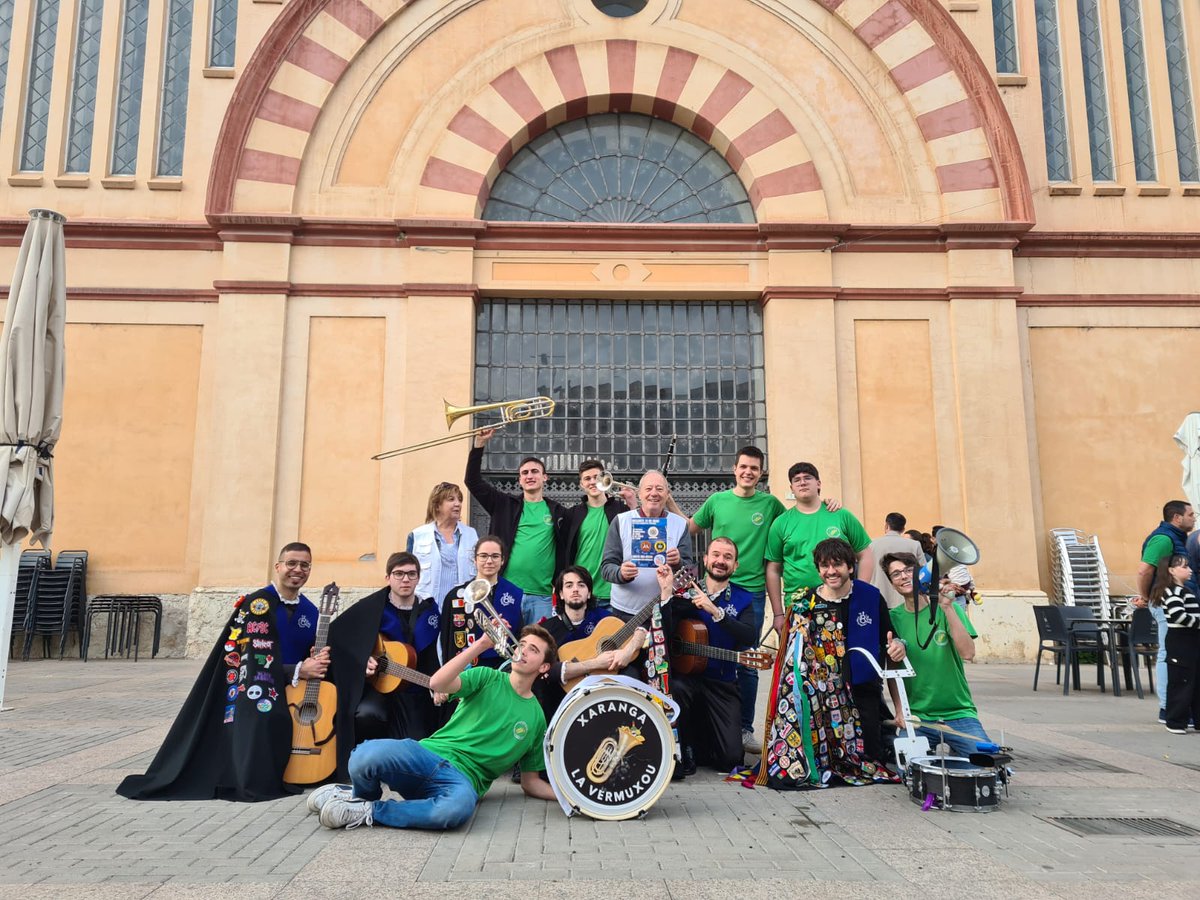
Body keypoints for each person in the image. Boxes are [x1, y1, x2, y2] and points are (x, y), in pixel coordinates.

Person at [117, 543, 325, 801]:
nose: (298, 570)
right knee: (266, 715)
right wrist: (297, 670)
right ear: (278, 566)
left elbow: (311, 652)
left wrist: (317, 656)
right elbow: (254, 661)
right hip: (255, 688)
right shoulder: (258, 604)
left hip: (296, 689)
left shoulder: (311, 611)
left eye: (305, 565)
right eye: (292, 563)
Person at [312, 624, 560, 829]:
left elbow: (530, 782)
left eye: (534, 650)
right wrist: (482, 644)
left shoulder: (537, 719)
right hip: (427, 754)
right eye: (522, 644)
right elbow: (438, 683)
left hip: (463, 780)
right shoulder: (487, 676)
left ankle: (368, 810)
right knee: (362, 757)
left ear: (544, 667)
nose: (523, 651)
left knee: (454, 812)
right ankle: (356, 795)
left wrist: (570, 798)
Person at [665, 445, 785, 753]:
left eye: (754, 468)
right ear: (735, 469)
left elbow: (791, 527)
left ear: (761, 473)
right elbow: (689, 527)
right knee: (701, 647)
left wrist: (827, 507)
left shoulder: (770, 504)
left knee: (746, 661)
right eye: (743, 466)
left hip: (752, 591)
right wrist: (668, 500)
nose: (748, 472)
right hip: (711, 587)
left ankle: (745, 728)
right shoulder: (717, 500)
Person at [758, 539, 896, 789]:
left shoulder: (870, 597)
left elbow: (890, 638)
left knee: (870, 758)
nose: (831, 571)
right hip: (821, 691)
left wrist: (899, 646)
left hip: (862, 687)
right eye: (824, 566)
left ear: (851, 567)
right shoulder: (806, 602)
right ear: (818, 569)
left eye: (837, 565)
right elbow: (793, 654)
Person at [326, 552, 442, 780]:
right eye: (399, 574)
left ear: (419, 578)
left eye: (411, 574)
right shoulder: (372, 608)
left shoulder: (429, 612)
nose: (405, 579)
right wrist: (362, 660)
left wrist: (438, 683)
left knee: (417, 747)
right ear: (388, 577)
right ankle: (367, 763)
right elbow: (338, 638)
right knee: (366, 715)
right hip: (377, 688)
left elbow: (433, 657)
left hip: (415, 689)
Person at [882, 551, 992, 758]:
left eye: (908, 571)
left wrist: (947, 608)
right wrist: (900, 710)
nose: (904, 577)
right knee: (909, 768)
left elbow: (968, 653)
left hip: (959, 712)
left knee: (984, 765)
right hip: (917, 716)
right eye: (896, 574)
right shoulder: (892, 618)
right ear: (892, 583)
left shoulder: (947, 609)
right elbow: (894, 672)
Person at [667, 537, 757, 776]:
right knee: (675, 689)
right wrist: (669, 598)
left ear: (735, 566)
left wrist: (716, 612)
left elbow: (749, 636)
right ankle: (681, 747)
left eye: (728, 557)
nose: (720, 561)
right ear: (705, 559)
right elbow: (664, 629)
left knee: (731, 759)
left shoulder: (743, 598)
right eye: (716, 555)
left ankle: (701, 746)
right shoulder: (684, 592)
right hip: (686, 680)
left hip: (722, 683)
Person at [465, 428, 566, 623]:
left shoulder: (558, 512)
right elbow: (473, 481)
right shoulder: (503, 505)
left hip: (542, 597)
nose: (529, 476)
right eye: (524, 473)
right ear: (519, 480)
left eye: (535, 472)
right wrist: (479, 444)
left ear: (545, 477)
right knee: (504, 647)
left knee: (538, 649)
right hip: (507, 592)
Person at [765, 462, 872, 633]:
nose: (803, 482)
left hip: (842, 601)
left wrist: (859, 592)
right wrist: (778, 614)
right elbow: (773, 569)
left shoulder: (841, 515)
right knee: (800, 659)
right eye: (797, 479)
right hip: (799, 607)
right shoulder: (780, 524)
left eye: (808, 478)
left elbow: (865, 555)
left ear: (819, 483)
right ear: (791, 487)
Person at [600, 469, 694, 655]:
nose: (654, 493)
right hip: (624, 612)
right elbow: (606, 567)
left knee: (659, 667)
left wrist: (678, 563)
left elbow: (689, 572)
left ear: (667, 494)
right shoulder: (621, 521)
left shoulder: (679, 524)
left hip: (664, 612)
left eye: (660, 489)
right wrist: (620, 573)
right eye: (649, 488)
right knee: (626, 667)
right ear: (639, 493)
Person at [538, 565, 640, 721]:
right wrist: (596, 663)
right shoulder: (547, 629)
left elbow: (639, 630)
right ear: (561, 594)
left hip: (603, 694)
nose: (575, 589)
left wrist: (627, 651)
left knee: (632, 673)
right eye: (569, 585)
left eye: (581, 585)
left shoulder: (605, 620)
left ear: (589, 592)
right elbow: (546, 670)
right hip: (563, 698)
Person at [1137, 500, 1197, 723]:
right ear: (1177, 518)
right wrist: (1146, 597)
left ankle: (1178, 707)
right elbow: (1144, 570)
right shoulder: (1163, 538)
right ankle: (1167, 708)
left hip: (1176, 601)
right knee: (1168, 655)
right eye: (1191, 514)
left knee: (1177, 655)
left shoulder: (1178, 538)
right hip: (1166, 602)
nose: (1194, 518)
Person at [557, 460, 636, 609]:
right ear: (581, 485)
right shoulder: (572, 514)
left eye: (596, 477)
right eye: (587, 479)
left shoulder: (621, 509)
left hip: (614, 592)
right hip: (582, 592)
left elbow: (637, 536)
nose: (593, 482)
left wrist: (632, 504)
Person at [439, 535, 523, 668]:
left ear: (502, 560)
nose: (489, 561)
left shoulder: (514, 593)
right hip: (468, 665)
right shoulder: (455, 596)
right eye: (483, 556)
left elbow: (519, 635)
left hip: (503, 665)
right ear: (475, 560)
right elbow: (448, 641)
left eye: (495, 556)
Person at [1150, 554, 1200, 734]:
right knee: (1180, 680)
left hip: (1191, 639)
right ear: (1171, 571)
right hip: (1180, 639)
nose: (1190, 570)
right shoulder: (1171, 591)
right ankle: (1175, 721)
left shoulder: (1184, 590)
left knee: (1194, 679)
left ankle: (1193, 718)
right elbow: (1178, 615)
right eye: (1184, 567)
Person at [407, 482, 478, 605]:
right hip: (427, 607)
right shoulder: (417, 535)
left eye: (460, 499)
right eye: (451, 499)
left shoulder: (471, 535)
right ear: (437, 505)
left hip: (462, 608)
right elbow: (407, 572)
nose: (458, 504)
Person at [869, 513, 927, 608]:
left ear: (887, 525)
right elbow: (923, 573)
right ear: (903, 529)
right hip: (907, 598)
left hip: (878, 597)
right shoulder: (914, 545)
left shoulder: (871, 545)